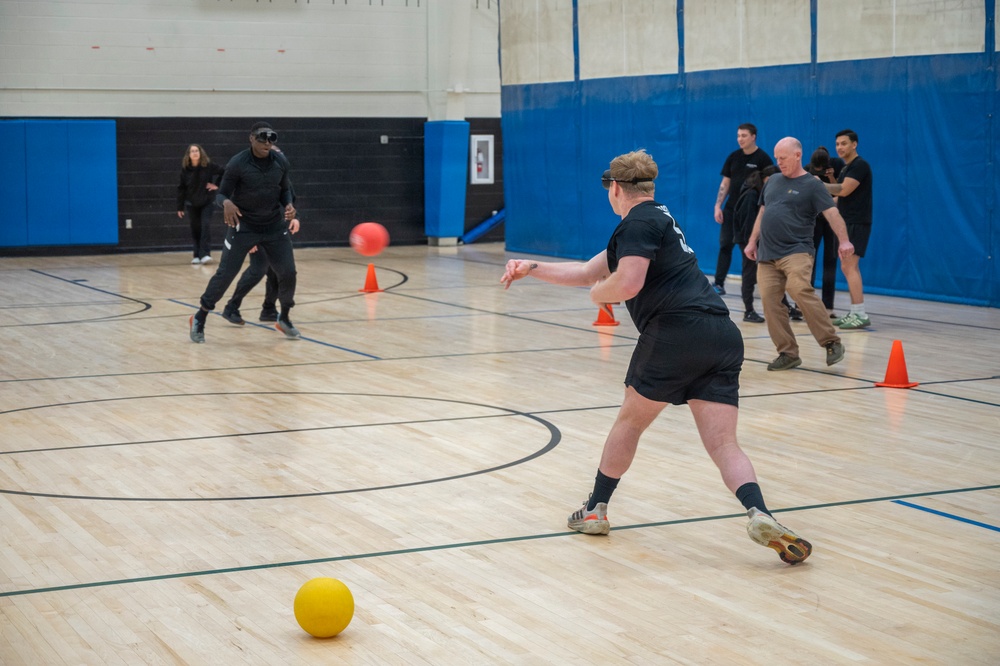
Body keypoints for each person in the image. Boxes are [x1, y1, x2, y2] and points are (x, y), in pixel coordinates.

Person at [501, 149, 812, 565]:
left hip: (675, 334)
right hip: (720, 335)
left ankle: (595, 509)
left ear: (615, 188)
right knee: (723, 443)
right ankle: (760, 513)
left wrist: (599, 295)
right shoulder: (660, 219)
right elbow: (589, 270)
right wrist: (532, 267)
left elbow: (625, 283)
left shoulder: (637, 223)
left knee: (630, 423)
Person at [745, 137, 854, 371]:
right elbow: (763, 213)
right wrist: (752, 242)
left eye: (783, 158)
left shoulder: (813, 185)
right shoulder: (773, 181)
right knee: (770, 301)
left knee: (798, 288)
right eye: (777, 158)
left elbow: (832, 214)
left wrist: (844, 240)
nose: (779, 162)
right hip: (767, 254)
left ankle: (831, 342)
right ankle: (788, 353)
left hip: (796, 251)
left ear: (797, 156)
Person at [189, 121, 299, 343]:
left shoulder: (280, 162)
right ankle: (200, 316)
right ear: (251, 138)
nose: (267, 143)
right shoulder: (238, 163)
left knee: (288, 273)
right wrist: (227, 203)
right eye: (262, 138)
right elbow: (221, 194)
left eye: (271, 139)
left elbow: (285, 190)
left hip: (274, 227)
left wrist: (289, 205)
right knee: (226, 274)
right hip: (244, 227)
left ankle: (284, 317)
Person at [712, 123, 773, 295]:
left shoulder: (763, 158)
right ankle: (718, 283)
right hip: (731, 210)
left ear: (753, 137)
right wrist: (718, 205)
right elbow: (725, 183)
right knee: (725, 245)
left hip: (751, 213)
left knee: (749, 248)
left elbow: (769, 185)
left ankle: (751, 286)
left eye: (744, 135)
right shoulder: (733, 157)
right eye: (738, 135)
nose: (740, 139)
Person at [825, 129, 873, 329]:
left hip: (857, 222)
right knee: (847, 266)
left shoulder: (860, 165)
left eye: (844, 143)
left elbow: (844, 190)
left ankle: (860, 313)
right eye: (837, 144)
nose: (839, 147)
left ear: (854, 144)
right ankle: (855, 312)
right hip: (847, 222)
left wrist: (817, 185)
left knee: (850, 266)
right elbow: (839, 198)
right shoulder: (846, 168)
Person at [221, 217, 299, 325]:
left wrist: (295, 217)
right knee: (258, 269)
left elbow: (287, 206)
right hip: (256, 231)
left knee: (276, 271)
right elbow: (243, 211)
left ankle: (269, 309)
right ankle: (231, 307)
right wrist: (247, 238)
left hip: (276, 232)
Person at [806, 147, 843, 316]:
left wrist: (830, 178)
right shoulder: (807, 170)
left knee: (830, 261)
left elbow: (841, 192)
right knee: (809, 260)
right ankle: (804, 304)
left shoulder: (837, 165)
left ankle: (828, 306)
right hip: (814, 219)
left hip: (831, 218)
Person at [176, 144, 224, 265]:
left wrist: (216, 185)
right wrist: (180, 206)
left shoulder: (208, 166)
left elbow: (224, 172)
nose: (195, 153)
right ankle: (197, 255)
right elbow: (181, 188)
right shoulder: (185, 169)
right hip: (191, 203)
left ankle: (205, 254)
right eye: (192, 151)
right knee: (195, 228)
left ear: (200, 152)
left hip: (207, 201)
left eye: (197, 150)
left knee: (205, 225)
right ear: (189, 155)